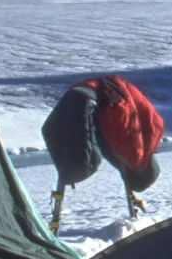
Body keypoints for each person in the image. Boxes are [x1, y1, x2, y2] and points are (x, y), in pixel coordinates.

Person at [41, 75, 163, 231]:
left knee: (75, 163)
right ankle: (55, 225)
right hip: (87, 99)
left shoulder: (147, 140)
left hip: (83, 96)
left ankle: (55, 223)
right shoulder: (142, 146)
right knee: (79, 165)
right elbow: (125, 133)